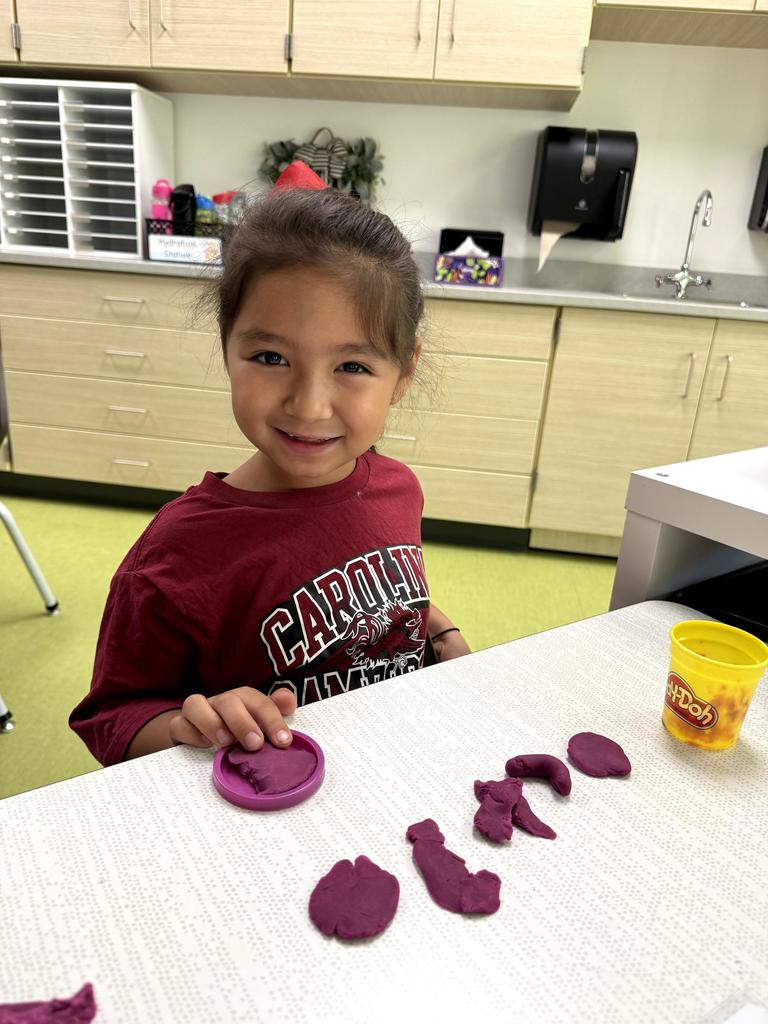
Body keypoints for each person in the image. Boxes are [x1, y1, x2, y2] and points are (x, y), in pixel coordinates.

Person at [69, 169, 470, 768]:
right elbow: (108, 719)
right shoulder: (176, 557)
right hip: (269, 810)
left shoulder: (397, 488)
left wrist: (440, 635)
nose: (308, 406)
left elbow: (385, 608)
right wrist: (186, 724)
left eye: (354, 366)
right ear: (227, 346)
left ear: (403, 372)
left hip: (395, 771)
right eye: (270, 357)